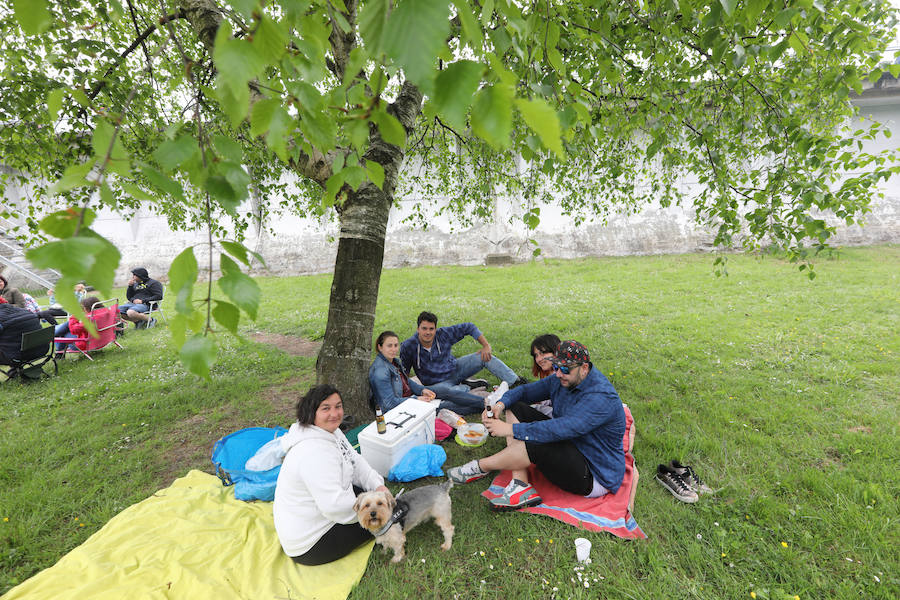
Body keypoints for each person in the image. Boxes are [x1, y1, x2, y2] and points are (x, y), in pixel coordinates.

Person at [447, 340, 626, 511]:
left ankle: (480, 467)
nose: (558, 373)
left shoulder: (601, 397)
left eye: (564, 369)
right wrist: (500, 405)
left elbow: (562, 428)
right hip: (573, 446)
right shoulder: (563, 378)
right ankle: (520, 484)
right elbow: (525, 391)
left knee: (537, 439)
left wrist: (510, 429)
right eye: (556, 367)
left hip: (593, 474)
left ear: (584, 368)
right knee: (516, 407)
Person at [273, 384, 390, 565]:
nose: (335, 414)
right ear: (312, 413)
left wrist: (378, 486)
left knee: (376, 499)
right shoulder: (313, 453)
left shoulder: (331, 431)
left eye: (338, 406)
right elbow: (334, 505)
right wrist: (380, 510)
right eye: (326, 408)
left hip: (320, 512)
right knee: (389, 515)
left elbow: (355, 462)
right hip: (310, 544)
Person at [399, 311, 525, 415]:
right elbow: (404, 372)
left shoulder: (443, 334)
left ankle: (514, 381)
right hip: (436, 383)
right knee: (448, 392)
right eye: (424, 328)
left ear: (436, 329)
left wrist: (486, 345)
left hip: (454, 368)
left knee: (485, 356)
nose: (428, 332)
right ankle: (478, 395)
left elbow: (469, 327)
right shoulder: (408, 346)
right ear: (418, 329)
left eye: (431, 329)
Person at [369, 330, 437, 412]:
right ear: (380, 347)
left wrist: (421, 390)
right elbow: (388, 404)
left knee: (443, 397)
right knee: (445, 406)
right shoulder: (380, 371)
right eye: (389, 346)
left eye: (396, 345)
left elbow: (405, 381)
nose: (394, 349)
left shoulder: (394, 361)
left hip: (408, 401)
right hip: (399, 412)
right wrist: (416, 399)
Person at [528, 334, 561, 416]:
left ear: (555, 351)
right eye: (536, 355)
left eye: (542, 353)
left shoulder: (561, 374)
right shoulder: (550, 373)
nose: (539, 359)